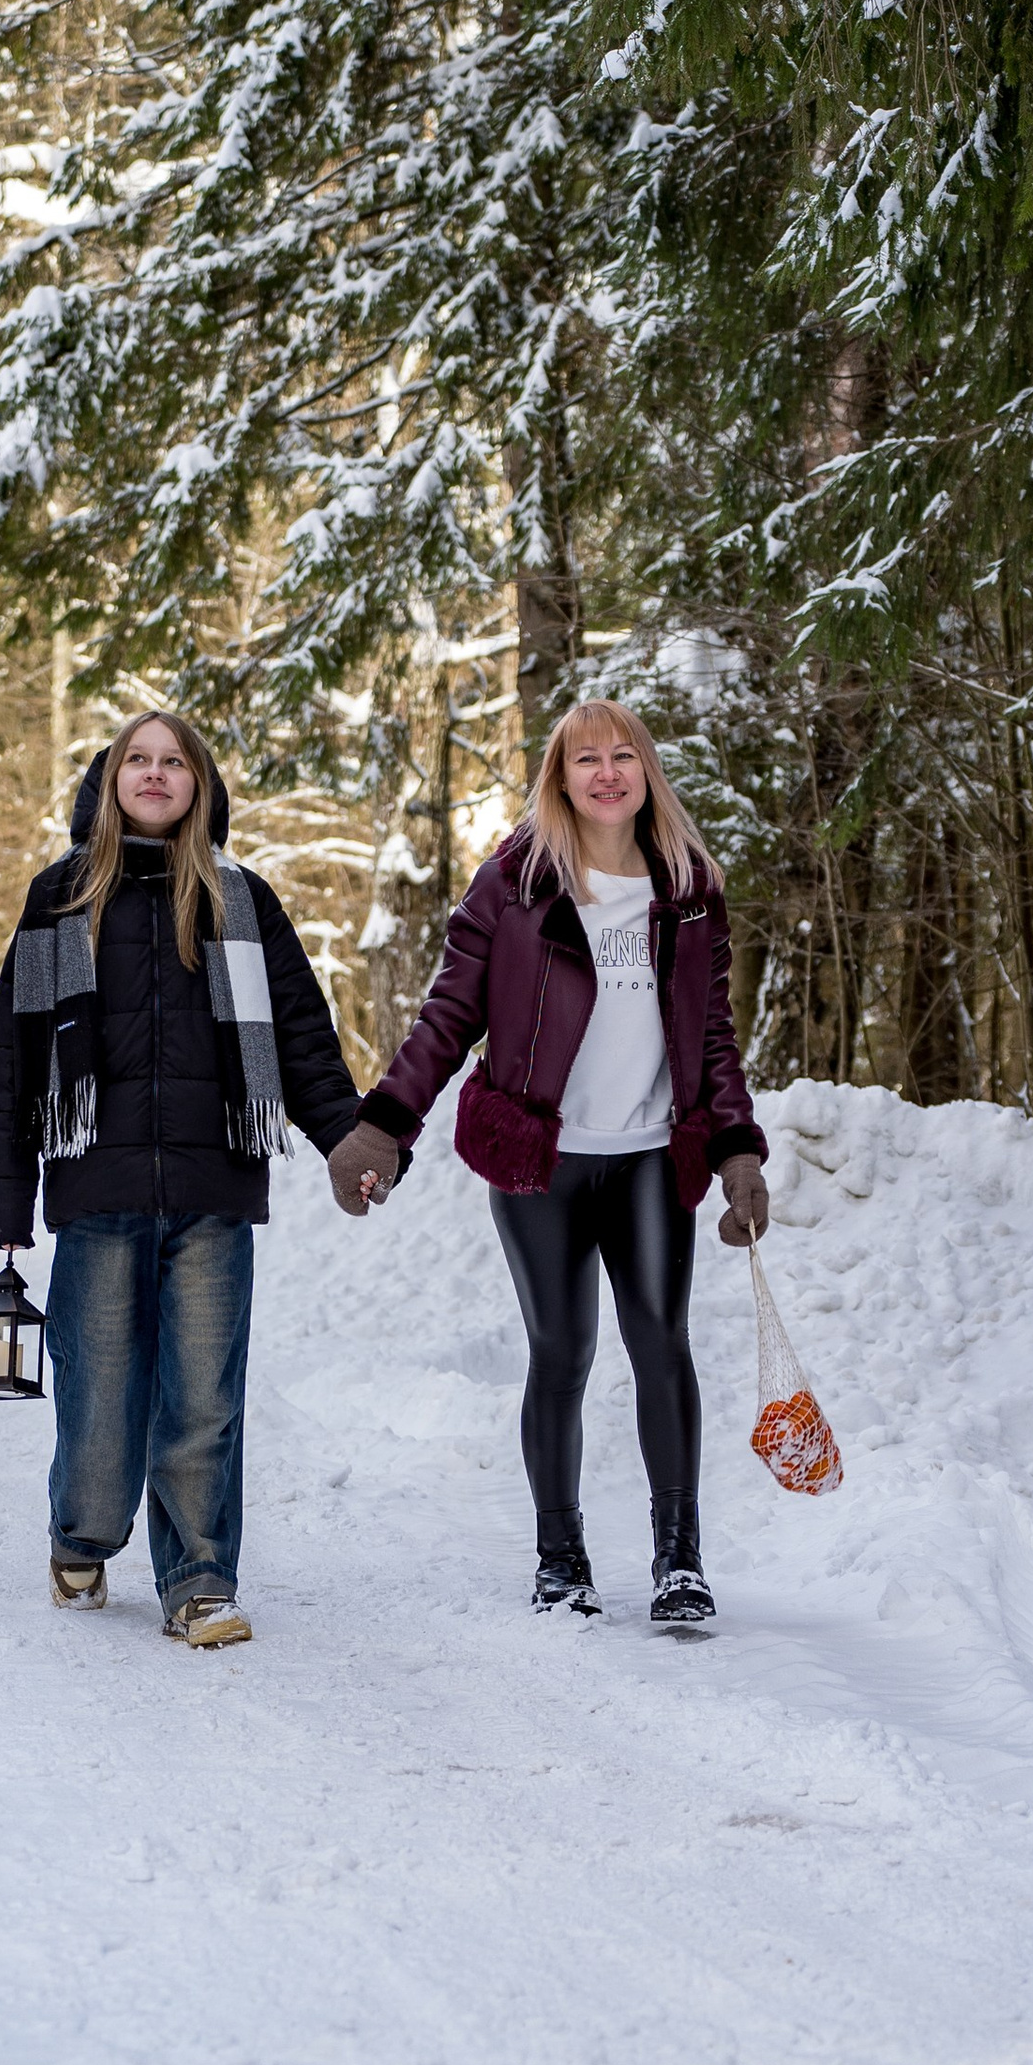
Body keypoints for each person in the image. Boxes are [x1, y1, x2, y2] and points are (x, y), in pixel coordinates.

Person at [324, 699, 769, 1633]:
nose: (606, 775)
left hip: (652, 1158)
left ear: (646, 771)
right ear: (559, 779)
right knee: (562, 1353)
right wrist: (383, 1128)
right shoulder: (515, 885)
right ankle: (560, 1559)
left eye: (623, 757)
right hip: (541, 1162)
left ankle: (679, 1557)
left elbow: (713, 1037)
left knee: (661, 1347)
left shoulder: (689, 888)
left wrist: (736, 1154)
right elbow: (448, 1017)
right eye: (585, 761)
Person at [0, 708, 370, 1646]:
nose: (155, 775)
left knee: (203, 1398)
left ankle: (197, 1578)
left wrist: (348, 1140)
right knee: (100, 1400)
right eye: (137, 761)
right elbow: (15, 1057)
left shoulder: (241, 899)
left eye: (174, 762)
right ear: (110, 781)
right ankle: (83, 1535)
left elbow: (305, 1040)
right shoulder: (61, 897)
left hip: (213, 1188)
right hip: (96, 1191)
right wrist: (4, 1199)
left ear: (201, 784)